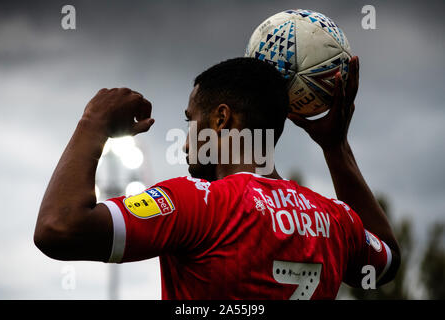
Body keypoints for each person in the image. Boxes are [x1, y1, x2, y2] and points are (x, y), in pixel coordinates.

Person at [34, 57, 400, 299]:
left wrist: (92, 123)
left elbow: (57, 228)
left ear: (222, 119)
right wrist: (336, 148)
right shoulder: (335, 219)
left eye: (190, 121)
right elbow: (388, 261)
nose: (187, 142)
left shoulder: (198, 203)